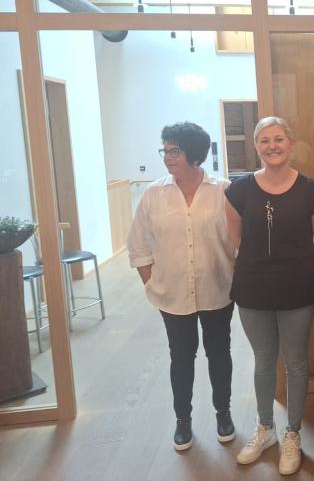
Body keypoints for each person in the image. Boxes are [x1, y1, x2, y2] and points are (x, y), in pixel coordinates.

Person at [225, 116, 314, 475]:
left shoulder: (313, 191)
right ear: (256, 146)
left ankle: (293, 433)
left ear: (291, 143)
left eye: (279, 138)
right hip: (252, 287)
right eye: (265, 140)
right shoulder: (237, 191)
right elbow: (237, 240)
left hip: (297, 287)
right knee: (263, 360)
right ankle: (265, 428)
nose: (272, 146)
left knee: (296, 361)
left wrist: (290, 265)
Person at [127, 122, 236, 451]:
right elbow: (138, 245)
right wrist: (152, 284)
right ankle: (182, 419)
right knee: (181, 356)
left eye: (174, 150)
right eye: (165, 150)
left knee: (219, 353)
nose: (167, 157)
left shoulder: (223, 190)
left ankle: (223, 413)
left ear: (194, 153)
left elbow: (238, 241)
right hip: (171, 294)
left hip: (218, 288)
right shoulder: (153, 194)